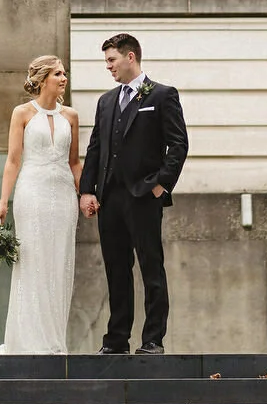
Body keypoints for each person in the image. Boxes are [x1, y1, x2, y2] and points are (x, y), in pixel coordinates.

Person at [78, 33, 188, 354]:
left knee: (151, 268)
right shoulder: (106, 101)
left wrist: (159, 185)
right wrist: (87, 190)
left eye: (111, 60)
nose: (108, 67)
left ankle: (152, 340)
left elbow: (178, 145)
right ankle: (116, 341)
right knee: (116, 269)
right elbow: (96, 147)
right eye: (106, 62)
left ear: (130, 57)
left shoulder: (162, 94)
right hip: (109, 199)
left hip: (143, 196)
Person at [0, 55, 80, 354]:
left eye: (64, 73)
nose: (63, 78)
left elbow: (75, 162)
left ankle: (54, 341)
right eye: (57, 73)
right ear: (42, 79)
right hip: (32, 193)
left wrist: (88, 195)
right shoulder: (22, 113)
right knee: (32, 263)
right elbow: (13, 160)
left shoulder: (72, 117)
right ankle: (27, 341)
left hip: (64, 195)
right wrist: (2, 203)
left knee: (60, 262)